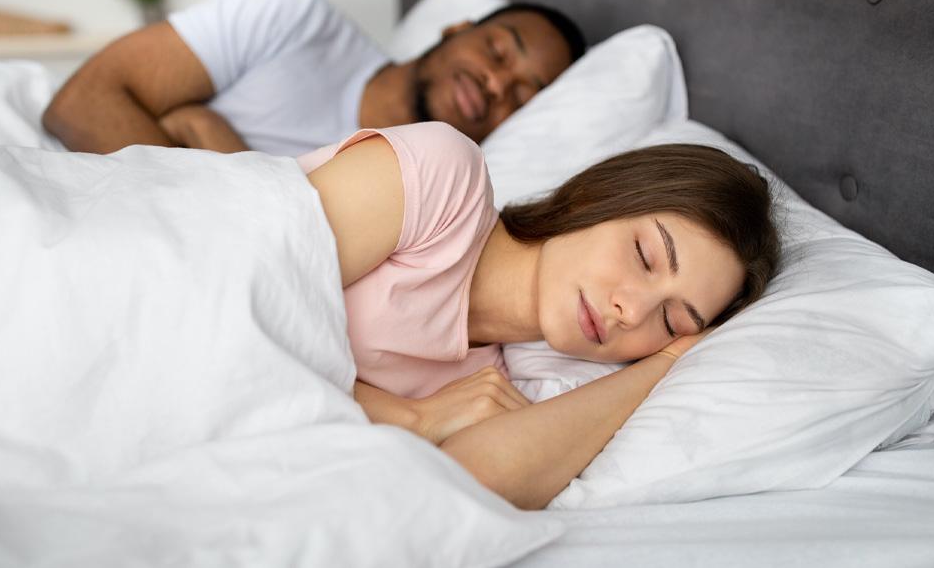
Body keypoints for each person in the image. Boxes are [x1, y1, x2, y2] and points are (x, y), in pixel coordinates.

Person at [299, 121, 780, 510]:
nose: (631, 312)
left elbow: (469, 489)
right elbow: (240, 291)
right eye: (645, 255)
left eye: (671, 321)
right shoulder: (442, 180)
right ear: (598, 198)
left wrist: (667, 363)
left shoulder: (498, 389)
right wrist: (413, 420)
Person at [42, 0, 586, 156]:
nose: (496, 84)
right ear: (454, 30)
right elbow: (82, 104)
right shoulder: (289, 16)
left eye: (521, 96)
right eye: (496, 52)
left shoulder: (424, 198)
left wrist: (219, 150)